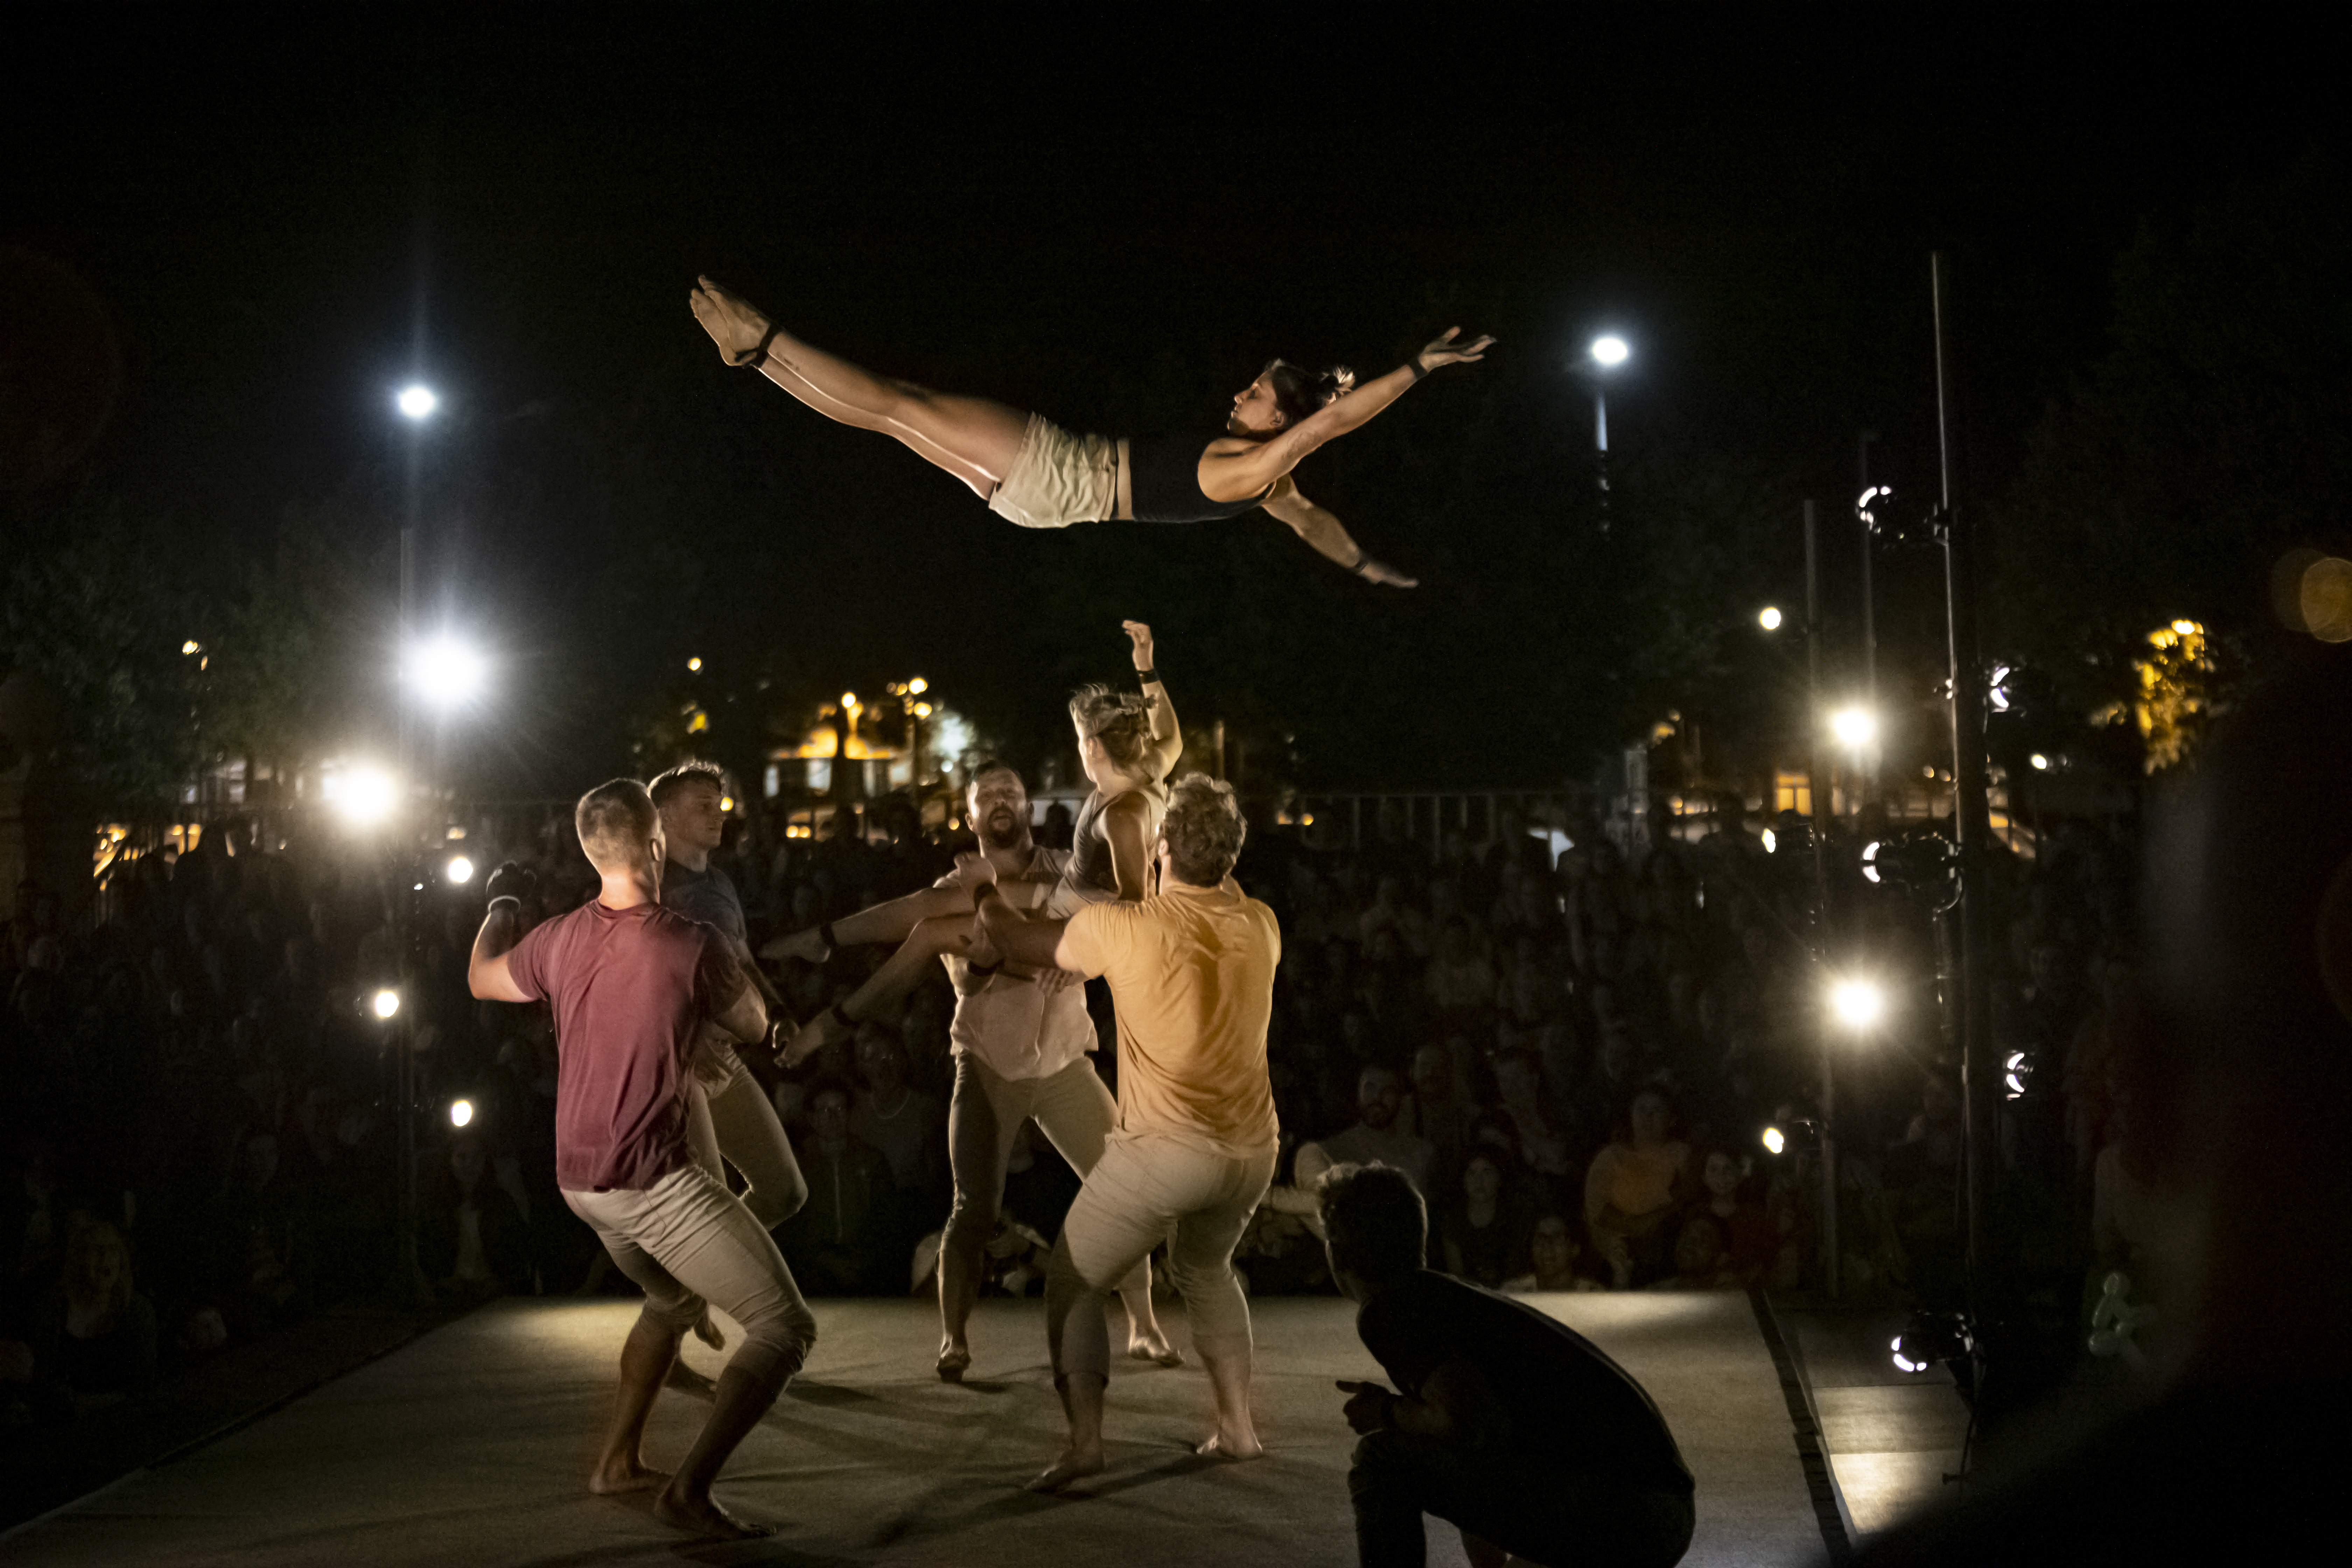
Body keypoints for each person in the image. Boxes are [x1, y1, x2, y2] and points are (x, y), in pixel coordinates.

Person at [468, 779, 816, 1540]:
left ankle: (617, 1461)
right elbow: (756, 1024)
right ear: (655, 844)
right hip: (650, 1183)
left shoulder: (556, 937)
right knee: (784, 1328)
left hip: (578, 1183)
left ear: (593, 853)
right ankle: (688, 1490)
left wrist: (501, 905)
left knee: (672, 1302)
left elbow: (481, 975)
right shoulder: (691, 943)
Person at [691, 276, 1494, 585]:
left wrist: (1419, 369)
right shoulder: (1269, 491)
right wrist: (1362, 564)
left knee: (901, 406)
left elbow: (1339, 419)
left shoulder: (1260, 467)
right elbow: (1313, 521)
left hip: (1057, 469)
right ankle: (757, 361)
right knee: (892, 414)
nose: (1240, 394)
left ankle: (765, 340)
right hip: (1041, 502)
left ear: (1286, 419)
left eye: (1255, 395)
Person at [973, 774, 1281, 1491]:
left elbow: (1017, 937)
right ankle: (1237, 1428)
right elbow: (1208, 894)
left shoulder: (1126, 926)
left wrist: (987, 882)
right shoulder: (1259, 922)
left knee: (1074, 1282)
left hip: (1166, 1153)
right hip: (1250, 1153)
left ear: (1161, 846)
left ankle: (1085, 1442)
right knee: (1206, 1270)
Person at [772, 620, 1176, 1057]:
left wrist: (1085, 960)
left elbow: (1138, 909)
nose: (1078, 751)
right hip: (1063, 901)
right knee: (932, 907)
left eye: (1080, 742)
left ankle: (829, 1025)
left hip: (1072, 925)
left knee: (930, 931)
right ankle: (825, 939)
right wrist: (1145, 668)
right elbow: (1169, 731)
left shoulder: (1123, 815)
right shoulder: (1152, 769)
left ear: (1094, 749)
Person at [1318, 1162, 1695, 1568]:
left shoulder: (1390, 1311)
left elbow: (1471, 1425)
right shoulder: (1440, 1298)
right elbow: (1473, 1448)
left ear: (1338, 1252)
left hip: (1627, 1512)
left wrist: (1390, 1412)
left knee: (1381, 1459)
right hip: (1655, 1512)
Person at [649, 761, 808, 1234]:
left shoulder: (719, 884)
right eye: (703, 805)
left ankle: (710, 1281)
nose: (718, 814)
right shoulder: (646, 889)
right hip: (675, 1060)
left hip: (720, 1056)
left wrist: (778, 1012)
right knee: (708, 1205)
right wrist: (688, 1035)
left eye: (718, 804)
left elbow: (742, 960)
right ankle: (695, 1298)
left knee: (783, 1191)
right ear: (665, 816)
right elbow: (638, 984)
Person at [1583, 1086, 1694, 1289]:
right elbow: (1599, 1213)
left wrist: (1656, 1222)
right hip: (1614, 1254)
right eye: (1641, 1110)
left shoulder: (1681, 1155)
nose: (1647, 1117)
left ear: (1671, 1120)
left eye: (1656, 1111)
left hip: (1665, 1254)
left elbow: (1688, 1199)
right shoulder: (1610, 1158)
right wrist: (1640, 1226)